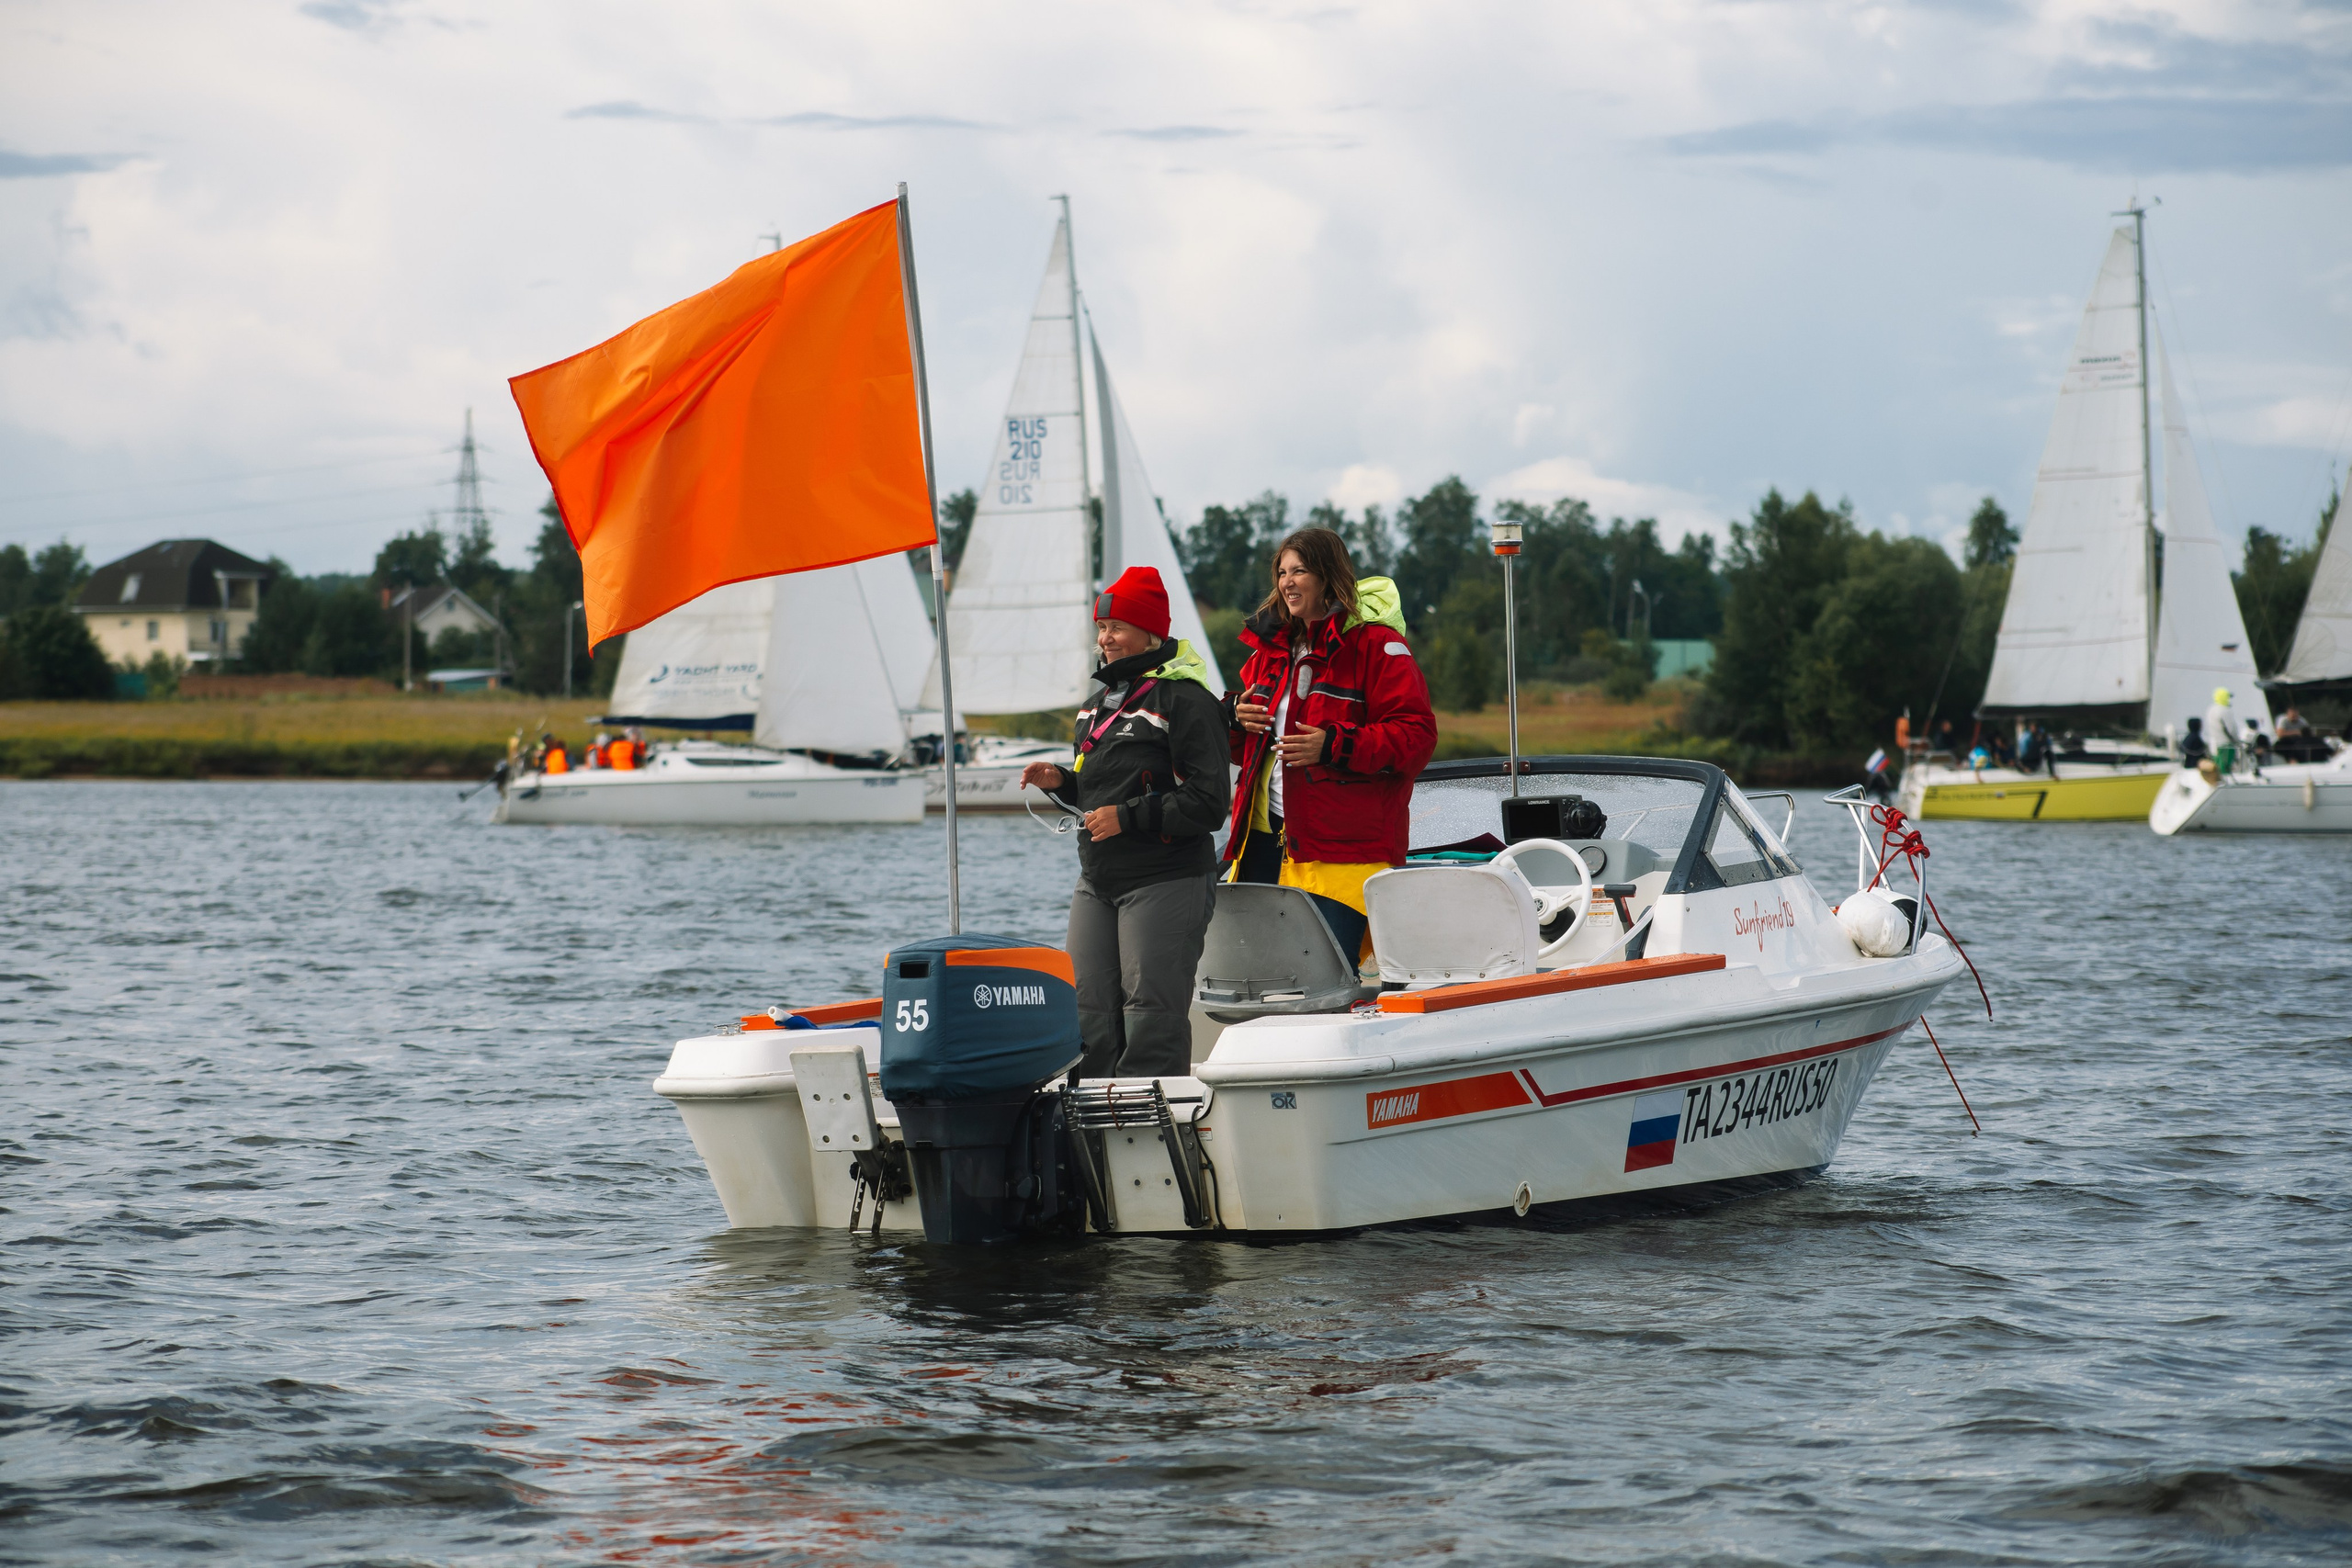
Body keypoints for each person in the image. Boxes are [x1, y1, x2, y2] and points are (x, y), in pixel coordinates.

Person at [1017, 567, 1229, 1079]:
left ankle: (1149, 1139)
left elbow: (1209, 802)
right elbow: (1103, 791)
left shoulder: (1187, 699)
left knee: (1149, 1018)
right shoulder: (1093, 708)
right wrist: (1062, 783)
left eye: (1115, 626)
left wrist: (1127, 817)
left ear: (1151, 633)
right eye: (1100, 627)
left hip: (1166, 877)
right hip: (1098, 880)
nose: (1104, 639)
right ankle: (1092, 1139)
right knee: (1087, 1013)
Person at [1225, 526, 1436, 967]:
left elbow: (1416, 737)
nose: (1287, 582)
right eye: (1281, 572)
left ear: (1327, 576)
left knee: (1326, 978)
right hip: (1263, 845)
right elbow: (1241, 749)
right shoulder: (1269, 652)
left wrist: (1333, 745)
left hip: (1341, 852)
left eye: (1299, 570)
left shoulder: (1378, 645)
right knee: (1265, 981)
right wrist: (1235, 718)